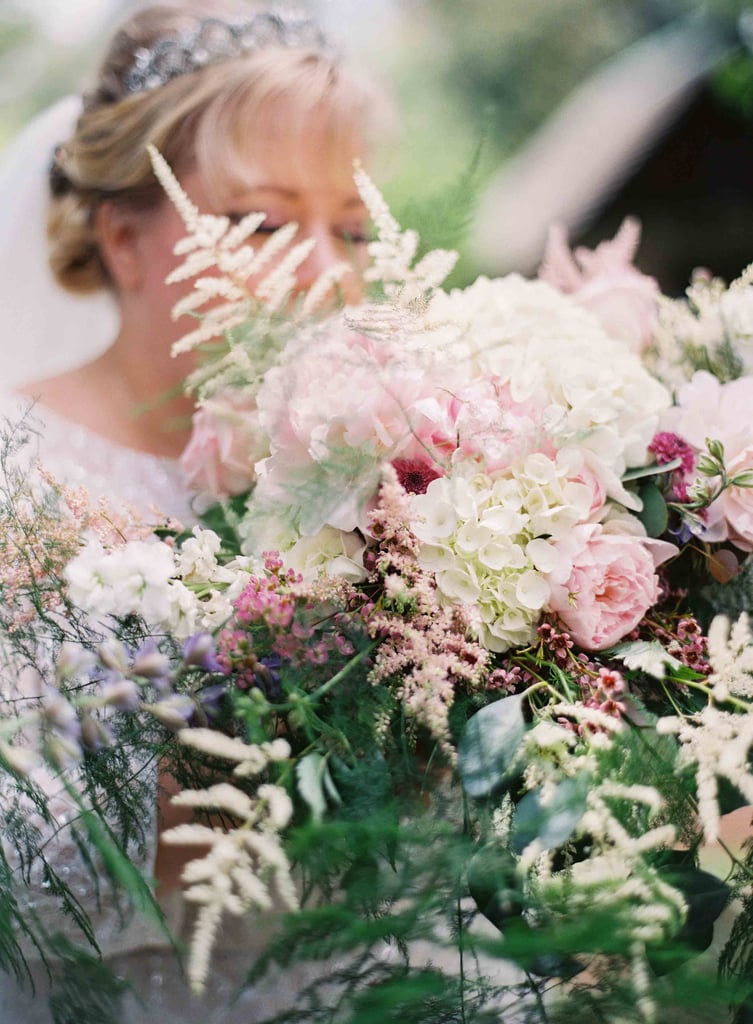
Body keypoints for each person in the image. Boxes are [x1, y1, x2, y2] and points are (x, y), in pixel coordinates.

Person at [0, 3, 390, 1020]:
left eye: (351, 228)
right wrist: (196, 793)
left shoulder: (383, 473)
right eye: (262, 221)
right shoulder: (14, 481)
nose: (325, 271)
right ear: (124, 239)